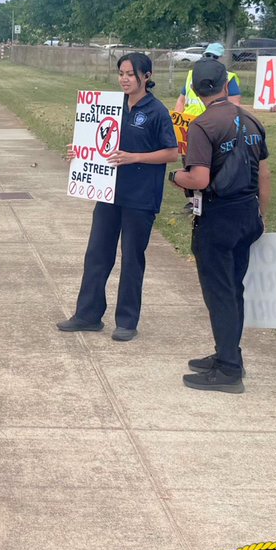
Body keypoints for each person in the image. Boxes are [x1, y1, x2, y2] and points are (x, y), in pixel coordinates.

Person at [57, 53, 180, 341]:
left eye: (130, 74)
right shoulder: (110, 106)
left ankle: (126, 321)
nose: (124, 79)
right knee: (97, 253)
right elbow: (100, 142)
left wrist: (135, 156)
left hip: (140, 196)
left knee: (132, 258)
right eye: (121, 73)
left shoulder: (156, 111)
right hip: (108, 192)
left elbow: (172, 153)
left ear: (146, 76)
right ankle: (87, 314)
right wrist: (81, 154)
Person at [170, 57, 270, 393]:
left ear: (197, 90)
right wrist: (261, 214)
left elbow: (198, 177)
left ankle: (228, 370)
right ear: (226, 85)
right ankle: (228, 353)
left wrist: (175, 177)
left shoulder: (203, 125)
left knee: (220, 292)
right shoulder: (251, 120)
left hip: (218, 217)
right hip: (247, 213)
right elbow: (265, 174)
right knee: (234, 288)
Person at [175, 43, 242, 119]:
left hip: (214, 123)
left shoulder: (229, 78)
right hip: (190, 123)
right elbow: (181, 101)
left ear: (222, 59)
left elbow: (234, 106)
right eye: (208, 55)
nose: (211, 58)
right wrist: (177, 120)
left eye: (215, 56)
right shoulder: (193, 75)